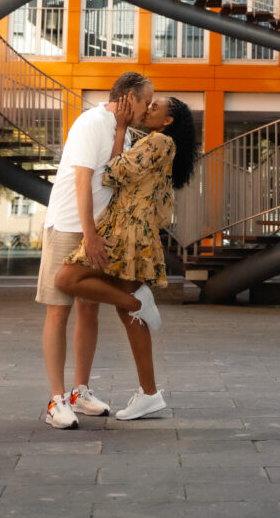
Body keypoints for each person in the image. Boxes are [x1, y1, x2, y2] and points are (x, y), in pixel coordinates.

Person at [55, 96, 198, 421]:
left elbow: (112, 173)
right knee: (126, 312)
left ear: (168, 120)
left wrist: (119, 129)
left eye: (155, 106)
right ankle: (149, 394)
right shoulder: (159, 143)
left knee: (67, 279)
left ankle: (138, 304)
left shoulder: (159, 140)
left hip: (125, 230)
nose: (148, 109)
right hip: (136, 230)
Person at [36, 71, 153, 429]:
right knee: (59, 311)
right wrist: (89, 233)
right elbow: (83, 179)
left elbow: (112, 177)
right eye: (146, 101)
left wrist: (103, 235)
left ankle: (79, 392)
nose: (149, 109)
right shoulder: (91, 122)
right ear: (129, 97)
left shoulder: (126, 133)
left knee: (89, 311)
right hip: (70, 226)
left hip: (96, 232)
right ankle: (55, 401)